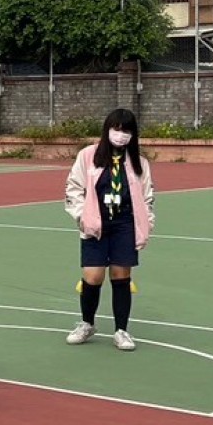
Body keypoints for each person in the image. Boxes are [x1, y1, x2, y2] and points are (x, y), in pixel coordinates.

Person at [63, 107, 155, 351]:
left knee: (120, 275)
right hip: (96, 223)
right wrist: (82, 216)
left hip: (125, 224)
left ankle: (121, 330)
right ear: (107, 129)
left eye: (127, 131)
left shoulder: (139, 163)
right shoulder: (88, 156)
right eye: (117, 129)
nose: (121, 135)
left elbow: (147, 196)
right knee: (92, 276)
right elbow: (73, 187)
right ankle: (87, 323)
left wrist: (146, 223)